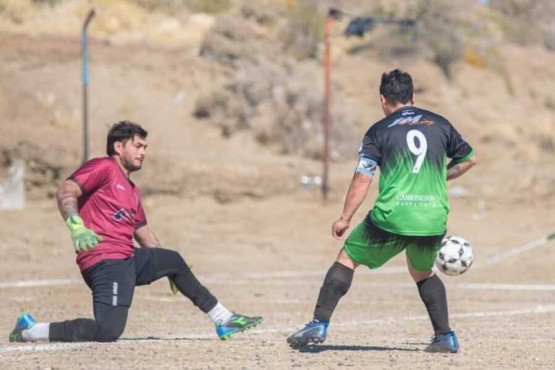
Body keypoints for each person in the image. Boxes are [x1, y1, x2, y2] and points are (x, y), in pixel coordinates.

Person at [9, 121, 262, 343]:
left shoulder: (132, 191)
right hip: (104, 261)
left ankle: (224, 318)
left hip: (127, 258)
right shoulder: (103, 167)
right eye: (138, 146)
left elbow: (144, 234)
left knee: (172, 259)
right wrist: (75, 224)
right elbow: (66, 190)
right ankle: (31, 330)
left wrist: (177, 273)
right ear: (119, 147)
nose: (143, 152)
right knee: (108, 331)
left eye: (145, 147)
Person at [286, 69, 477, 353]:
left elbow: (363, 177)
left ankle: (319, 322)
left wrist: (345, 218)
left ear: (383, 100)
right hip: (433, 217)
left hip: (393, 215)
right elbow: (469, 158)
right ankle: (445, 336)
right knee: (423, 272)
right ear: (412, 97)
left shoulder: (378, 131)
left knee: (348, 257)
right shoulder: (440, 124)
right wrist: (438, 177)